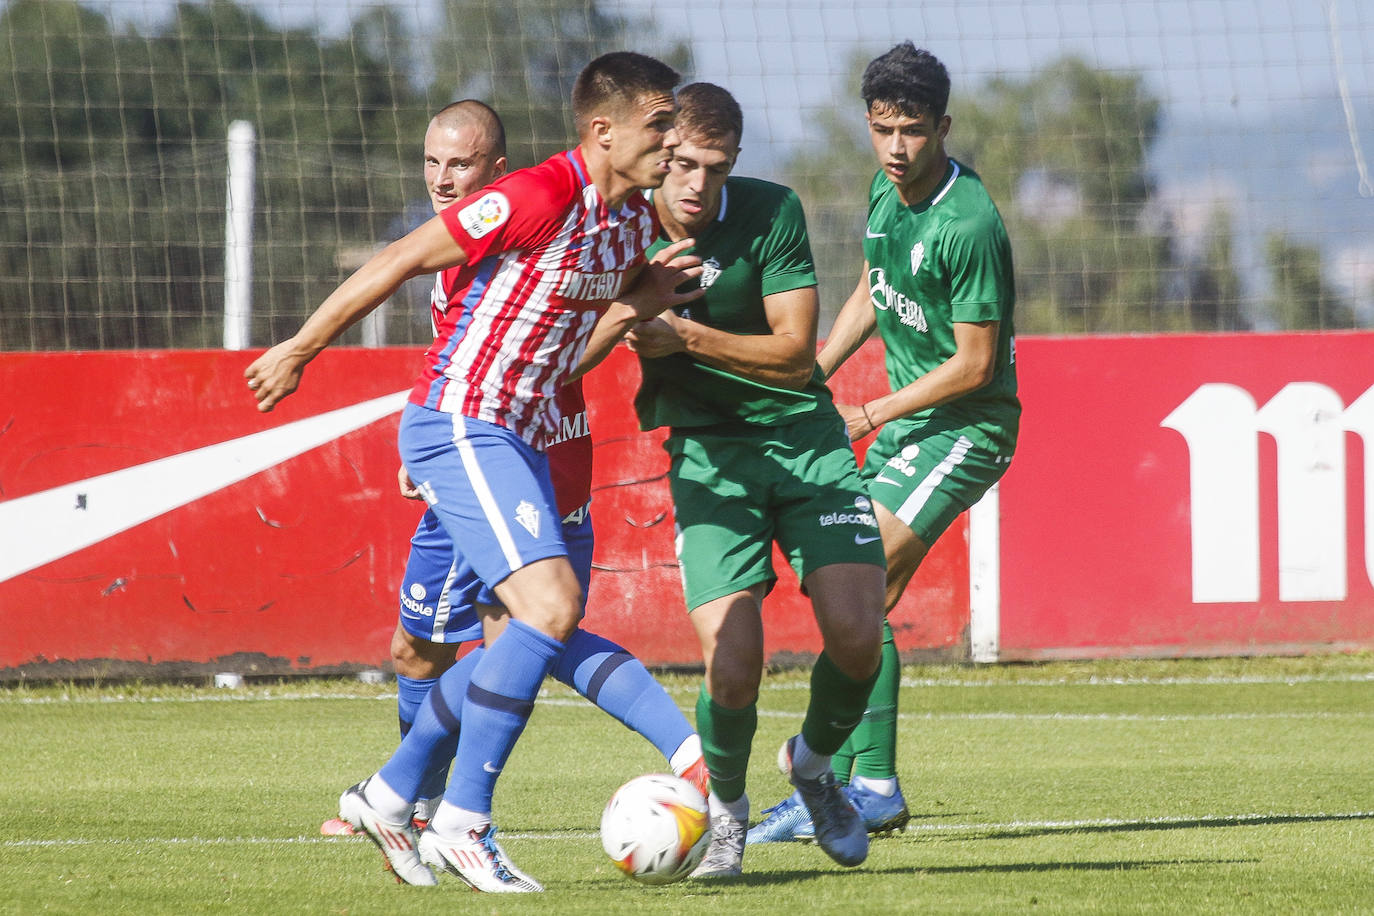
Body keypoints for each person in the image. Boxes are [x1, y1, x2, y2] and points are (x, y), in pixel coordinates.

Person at [246, 51, 700, 891]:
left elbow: (588, 337)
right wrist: (302, 346)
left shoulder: (636, 224)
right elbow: (400, 257)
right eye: (659, 125)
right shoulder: (536, 194)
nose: (672, 144)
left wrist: (653, 296)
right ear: (603, 130)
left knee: (520, 635)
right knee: (549, 606)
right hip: (461, 419)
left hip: (525, 436)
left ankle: (388, 796)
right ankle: (462, 820)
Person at [747, 42, 1020, 845]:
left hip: (966, 428)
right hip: (911, 424)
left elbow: (974, 364)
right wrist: (816, 370)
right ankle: (863, 783)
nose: (895, 150)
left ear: (944, 125)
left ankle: (855, 784)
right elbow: (875, 283)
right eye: (881, 130)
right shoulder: (885, 188)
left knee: (856, 584)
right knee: (852, 593)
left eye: (912, 131)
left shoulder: (969, 222)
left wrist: (870, 413)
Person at [613, 82, 888, 878]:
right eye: (687, 165)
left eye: (718, 167)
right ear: (661, 155)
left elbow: (796, 353)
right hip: (707, 456)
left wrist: (684, 336)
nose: (699, 185)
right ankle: (727, 810)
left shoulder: (771, 211)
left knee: (858, 640)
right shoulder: (622, 224)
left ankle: (810, 768)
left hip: (807, 442)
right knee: (732, 665)